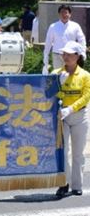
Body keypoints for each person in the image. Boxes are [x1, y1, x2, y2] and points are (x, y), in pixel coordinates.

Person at [53, 41, 90, 197]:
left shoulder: (85, 75)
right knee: (63, 152)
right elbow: (50, 95)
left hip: (80, 116)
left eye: (69, 54)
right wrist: (56, 85)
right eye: (64, 54)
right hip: (62, 118)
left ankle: (77, 185)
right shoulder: (56, 73)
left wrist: (71, 108)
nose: (65, 57)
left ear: (77, 56)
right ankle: (64, 183)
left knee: (78, 153)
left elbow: (86, 96)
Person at [43, 4, 86, 74]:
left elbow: (82, 40)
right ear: (59, 14)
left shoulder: (75, 26)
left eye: (66, 12)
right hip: (57, 55)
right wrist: (46, 55)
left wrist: (82, 52)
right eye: (62, 12)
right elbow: (48, 42)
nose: (64, 14)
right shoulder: (53, 26)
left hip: (71, 56)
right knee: (58, 75)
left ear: (70, 14)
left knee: (71, 75)